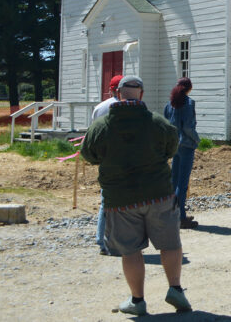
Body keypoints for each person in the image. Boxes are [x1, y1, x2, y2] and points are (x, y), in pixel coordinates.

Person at [80, 75, 192, 315]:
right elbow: (172, 148)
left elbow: (88, 155)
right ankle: (175, 289)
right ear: (141, 94)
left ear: (118, 94)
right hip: (159, 195)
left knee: (130, 250)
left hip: (120, 199)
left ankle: (137, 301)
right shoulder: (158, 123)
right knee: (171, 244)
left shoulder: (101, 126)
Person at [92, 74, 122, 254]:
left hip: (105, 159)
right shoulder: (129, 108)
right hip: (122, 159)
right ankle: (117, 240)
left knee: (107, 200)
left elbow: (92, 136)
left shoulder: (99, 108)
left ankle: (102, 239)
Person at [164, 77, 200, 229]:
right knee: (182, 183)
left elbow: (166, 123)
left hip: (174, 145)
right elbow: (188, 127)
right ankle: (181, 217)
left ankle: (171, 214)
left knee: (174, 180)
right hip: (186, 145)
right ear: (189, 88)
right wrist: (196, 140)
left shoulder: (170, 104)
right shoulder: (189, 103)